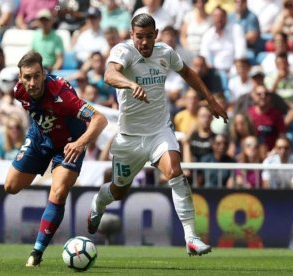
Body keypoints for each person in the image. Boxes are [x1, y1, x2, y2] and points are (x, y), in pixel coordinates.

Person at [87, 14, 228, 256]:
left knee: (175, 171)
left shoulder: (165, 53)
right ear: (132, 35)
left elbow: (188, 73)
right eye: (139, 37)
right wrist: (131, 85)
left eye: (149, 36)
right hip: (129, 138)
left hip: (159, 131)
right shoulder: (123, 51)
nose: (144, 42)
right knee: (119, 191)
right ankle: (98, 204)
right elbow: (109, 75)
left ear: (156, 34)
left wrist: (210, 99)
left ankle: (191, 238)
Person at [3, 51, 108, 267]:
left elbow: (100, 119)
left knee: (58, 192)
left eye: (36, 76)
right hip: (40, 138)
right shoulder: (18, 92)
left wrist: (80, 143)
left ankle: (37, 252)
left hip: (69, 144)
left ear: (44, 74)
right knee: (10, 187)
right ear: (20, 78)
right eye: (27, 77)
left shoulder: (62, 95)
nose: (32, 83)